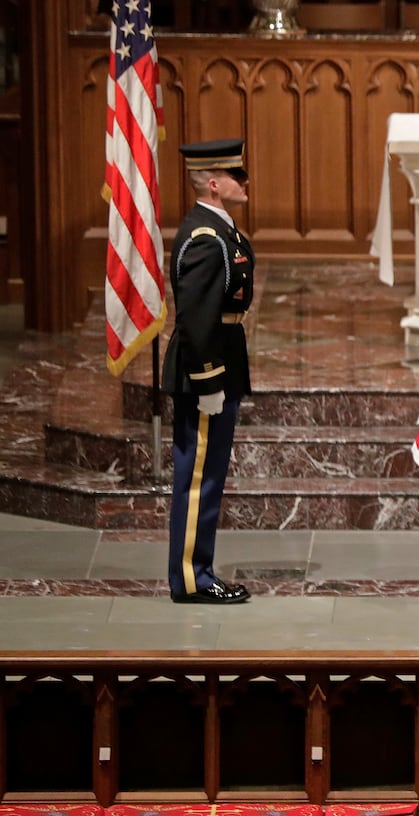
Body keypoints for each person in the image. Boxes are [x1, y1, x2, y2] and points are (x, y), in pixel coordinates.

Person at [163, 138, 254, 605]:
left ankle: (199, 570)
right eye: (237, 176)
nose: (245, 182)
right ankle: (193, 578)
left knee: (210, 473)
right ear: (215, 183)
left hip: (223, 364)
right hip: (207, 371)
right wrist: (209, 382)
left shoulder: (222, 231)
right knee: (199, 476)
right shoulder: (204, 238)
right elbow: (196, 319)